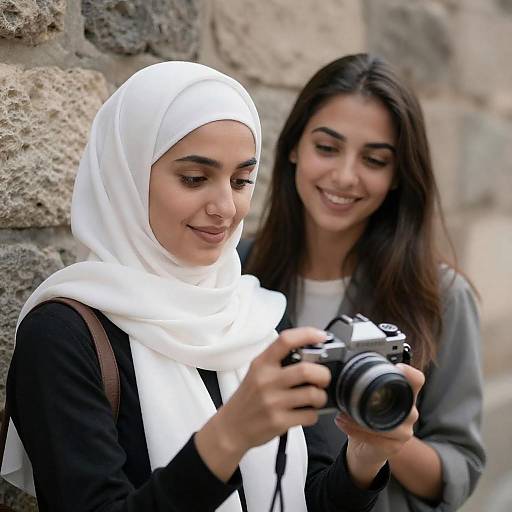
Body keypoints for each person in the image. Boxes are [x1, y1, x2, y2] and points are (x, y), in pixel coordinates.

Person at [1, 61, 423, 512]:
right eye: (195, 178)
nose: (226, 207)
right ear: (126, 175)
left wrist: (364, 460)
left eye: (241, 180)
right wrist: (230, 436)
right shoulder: (62, 336)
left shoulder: (258, 315)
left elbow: (309, 498)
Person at [242, 53, 485, 512]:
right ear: (294, 147)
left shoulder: (442, 295)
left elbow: (459, 470)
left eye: (374, 159)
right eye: (327, 148)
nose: (345, 176)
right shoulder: (238, 269)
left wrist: (381, 423)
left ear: (397, 176)